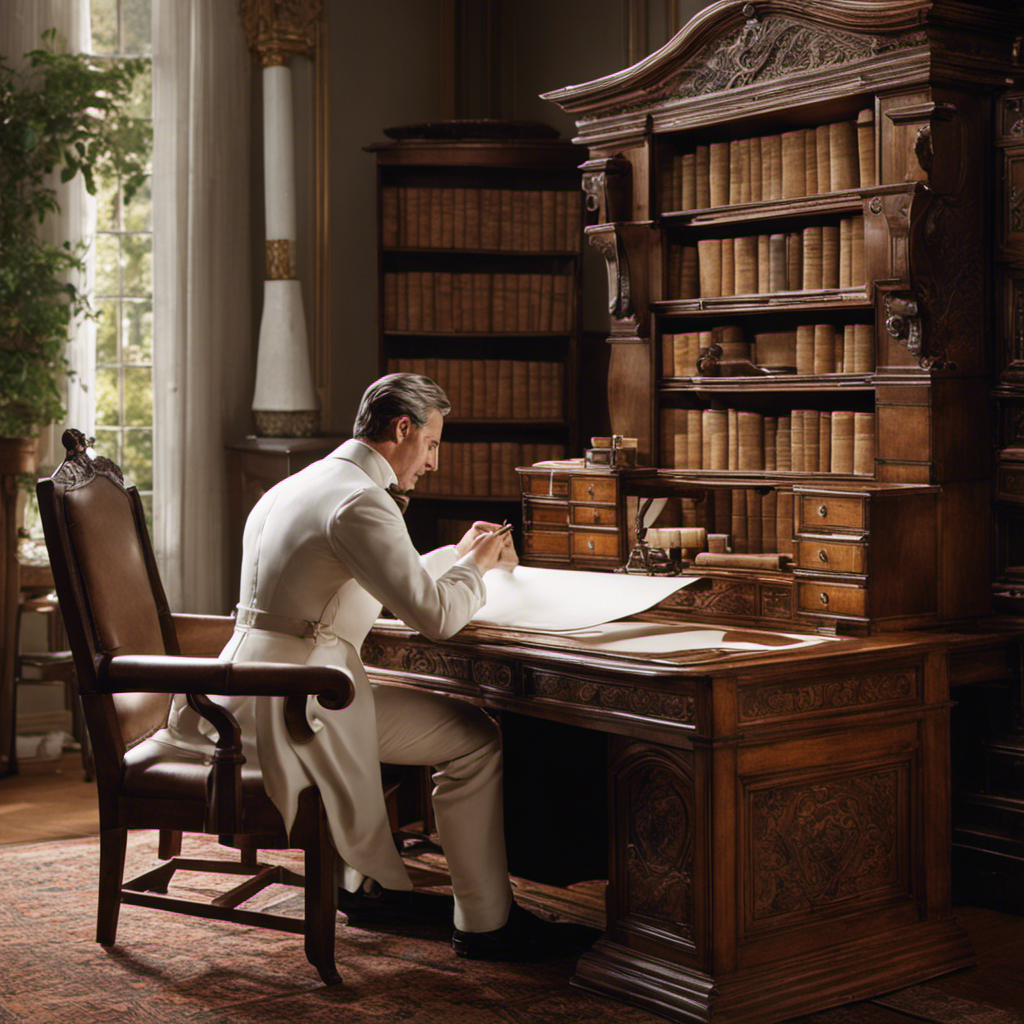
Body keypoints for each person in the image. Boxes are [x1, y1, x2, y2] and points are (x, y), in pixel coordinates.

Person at [161, 372, 589, 961]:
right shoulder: (362, 500)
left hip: (247, 692)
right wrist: (481, 569)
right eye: (433, 444)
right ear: (403, 428)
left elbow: (389, 579)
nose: (434, 462)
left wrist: (463, 557)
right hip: (301, 701)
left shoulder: (303, 483)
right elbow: (436, 617)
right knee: (474, 739)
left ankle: (362, 886)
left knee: (457, 733)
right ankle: (487, 923)